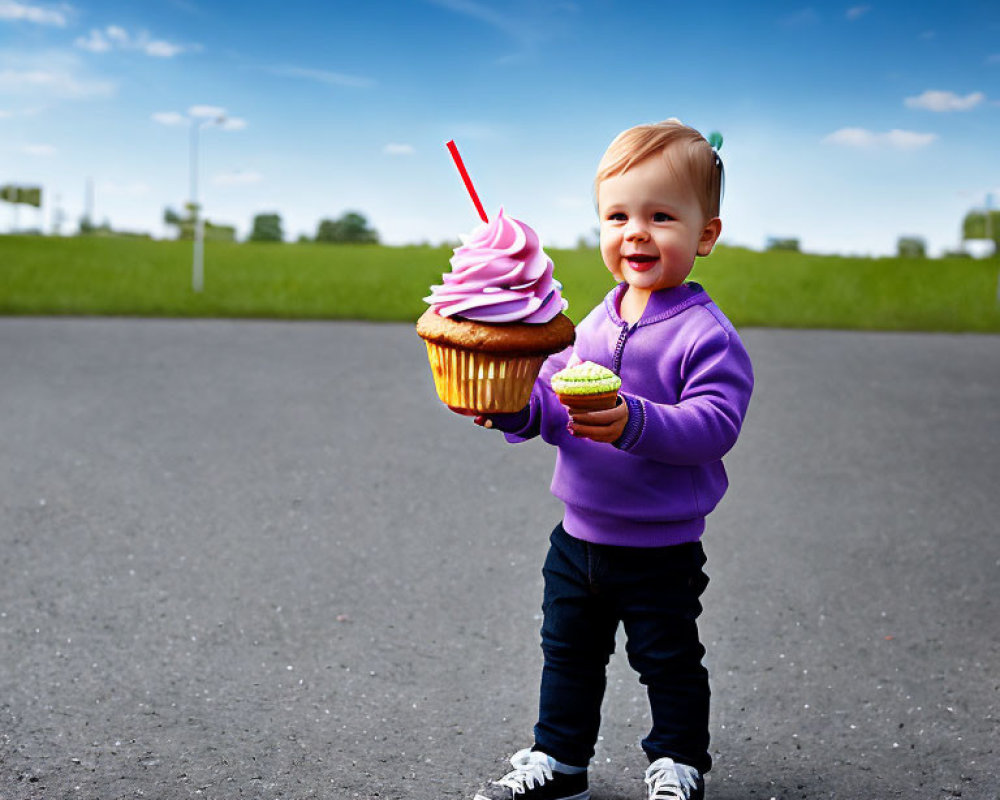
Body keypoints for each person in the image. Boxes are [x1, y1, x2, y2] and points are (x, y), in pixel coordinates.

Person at [467, 119, 754, 800]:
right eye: (618, 215)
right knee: (567, 655)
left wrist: (635, 420)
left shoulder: (705, 336)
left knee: (668, 660)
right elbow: (552, 397)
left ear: (705, 234)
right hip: (578, 537)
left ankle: (678, 763)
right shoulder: (591, 324)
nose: (636, 232)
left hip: (660, 545)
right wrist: (515, 408)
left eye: (661, 215)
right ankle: (561, 764)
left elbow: (713, 425)